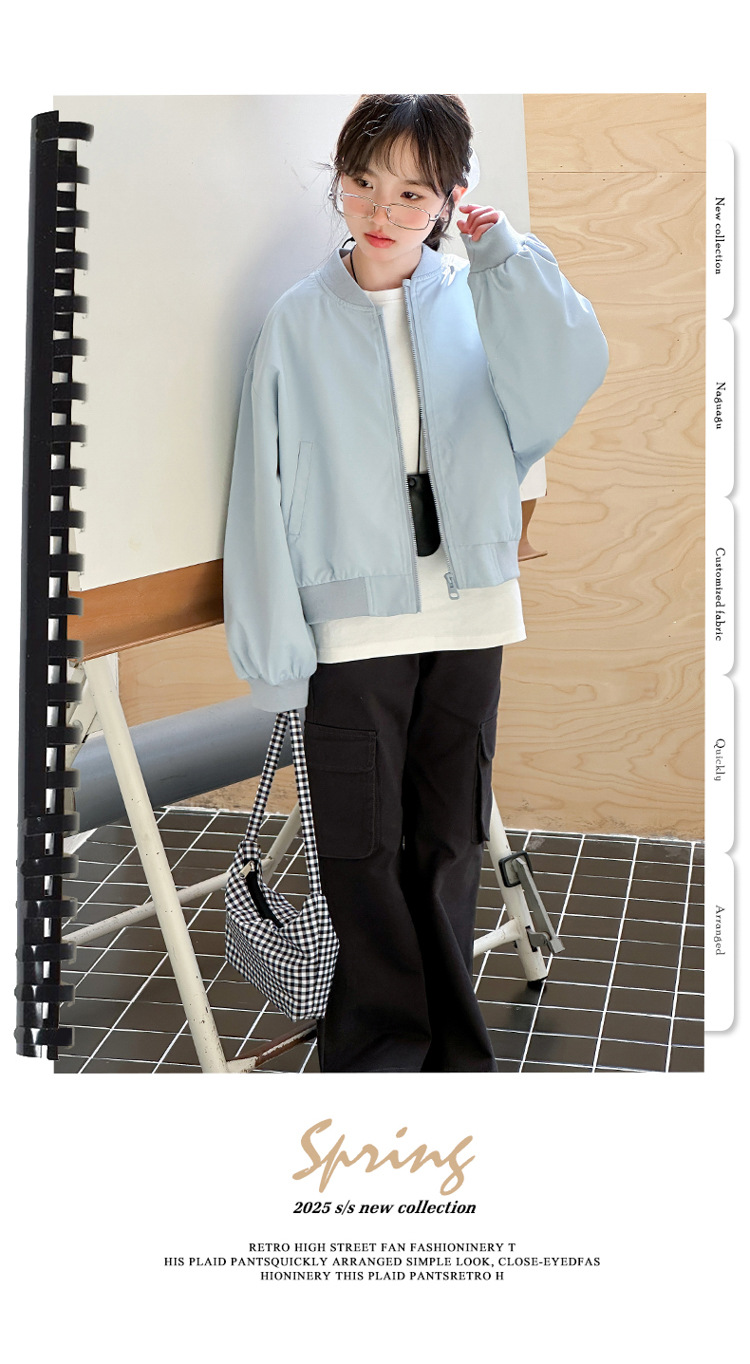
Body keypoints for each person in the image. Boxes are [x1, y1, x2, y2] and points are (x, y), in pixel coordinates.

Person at [223, 94, 609, 1073]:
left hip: (471, 610)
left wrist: (506, 256)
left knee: (447, 842)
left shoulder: (479, 296)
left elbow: (569, 369)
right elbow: (260, 490)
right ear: (339, 184)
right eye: (363, 183)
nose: (381, 211)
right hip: (352, 626)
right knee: (359, 847)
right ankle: (381, 1055)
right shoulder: (297, 321)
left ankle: (451, 1058)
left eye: (411, 192)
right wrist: (275, 643)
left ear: (449, 197)